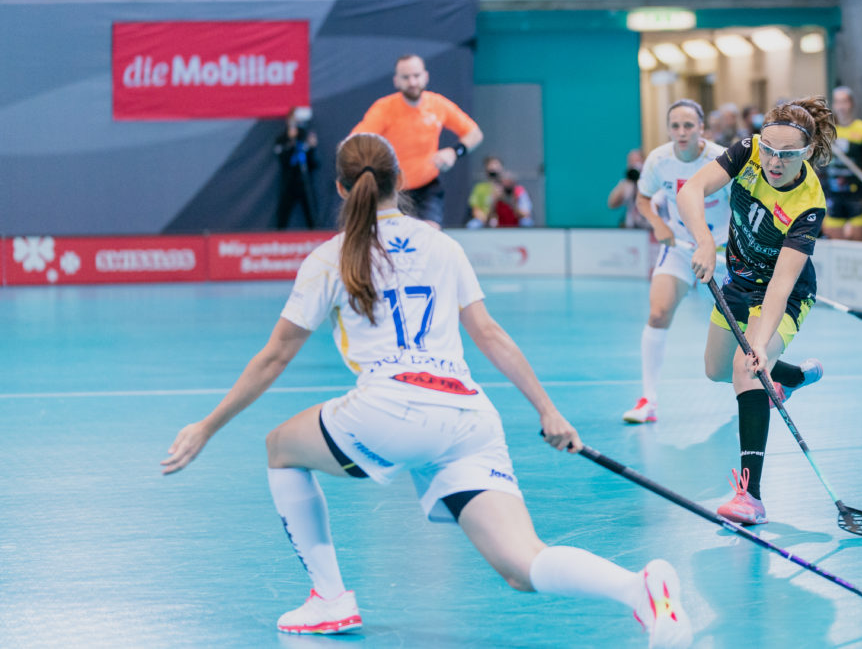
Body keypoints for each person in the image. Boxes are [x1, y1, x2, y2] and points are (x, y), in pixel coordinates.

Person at [162, 134, 692, 646]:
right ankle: (637, 587)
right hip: (467, 414)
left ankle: (329, 598)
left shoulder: (329, 256)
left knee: (280, 447)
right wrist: (549, 411)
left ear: (344, 189)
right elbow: (489, 333)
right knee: (523, 564)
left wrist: (208, 426)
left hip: (390, 406)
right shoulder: (441, 243)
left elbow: (275, 355)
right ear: (401, 182)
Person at [677, 98, 834, 525]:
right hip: (739, 284)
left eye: (786, 155)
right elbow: (690, 191)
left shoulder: (809, 202)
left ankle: (752, 496)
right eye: (769, 149)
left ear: (806, 152)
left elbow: (782, 285)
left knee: (746, 368)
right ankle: (794, 376)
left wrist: (760, 345)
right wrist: (705, 241)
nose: (773, 161)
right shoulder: (747, 151)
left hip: (783, 293)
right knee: (715, 369)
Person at [620, 100, 730, 424]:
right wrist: (658, 223)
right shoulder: (659, 160)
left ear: (701, 129)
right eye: (675, 126)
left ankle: (754, 388)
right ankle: (648, 401)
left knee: (736, 327)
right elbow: (642, 198)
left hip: (722, 253)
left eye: (688, 126)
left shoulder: (721, 159)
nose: (681, 133)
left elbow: (743, 202)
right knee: (658, 313)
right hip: (680, 249)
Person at [350, 54, 483, 228]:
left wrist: (454, 151)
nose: (412, 82)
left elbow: (475, 133)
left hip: (428, 188)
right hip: (391, 189)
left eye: (416, 76)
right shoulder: (384, 108)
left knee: (430, 235)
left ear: (425, 77)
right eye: (406, 77)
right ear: (396, 81)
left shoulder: (438, 104)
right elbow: (355, 141)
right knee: (389, 240)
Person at [821, 86, 862, 241]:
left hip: (857, 195)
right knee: (835, 242)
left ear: (851, 103)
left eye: (844, 101)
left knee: (858, 239)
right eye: (837, 102)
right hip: (834, 195)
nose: (841, 106)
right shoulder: (828, 132)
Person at [274, 106, 320, 230]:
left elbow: (313, 164)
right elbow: (283, 161)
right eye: (294, 119)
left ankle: (315, 239)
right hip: (289, 183)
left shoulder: (305, 136)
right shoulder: (282, 139)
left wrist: (311, 147)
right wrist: (291, 141)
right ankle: (277, 243)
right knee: (282, 216)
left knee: (312, 215)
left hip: (305, 182)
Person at [468, 157, 532, 228]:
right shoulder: (481, 188)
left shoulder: (518, 191)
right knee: (477, 223)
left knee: (527, 222)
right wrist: (495, 200)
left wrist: (512, 201)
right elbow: (480, 213)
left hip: (514, 222)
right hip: (495, 222)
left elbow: (526, 213)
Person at [607, 149, 651, 229]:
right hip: (631, 228)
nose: (634, 165)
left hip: (649, 228)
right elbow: (611, 204)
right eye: (631, 162)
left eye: (637, 161)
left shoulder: (652, 181)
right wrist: (627, 180)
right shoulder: (626, 184)